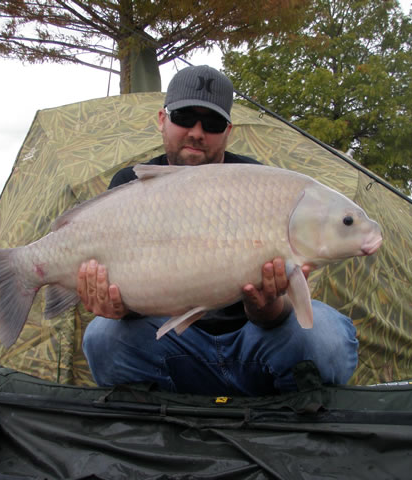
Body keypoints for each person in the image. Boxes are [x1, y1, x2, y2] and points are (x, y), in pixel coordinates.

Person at [79, 65, 358, 396]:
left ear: (228, 131)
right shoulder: (129, 186)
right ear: (161, 119)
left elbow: (275, 317)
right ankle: (156, 419)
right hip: (170, 347)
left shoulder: (261, 183)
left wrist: (266, 306)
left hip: (252, 342)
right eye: (184, 117)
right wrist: (116, 306)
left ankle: (281, 416)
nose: (197, 132)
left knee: (328, 340)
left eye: (211, 124)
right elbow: (124, 308)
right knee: (101, 337)